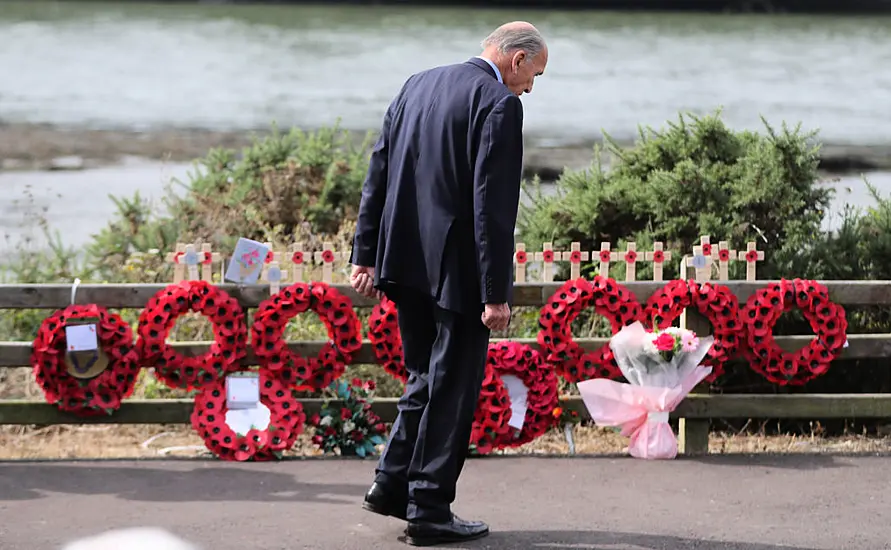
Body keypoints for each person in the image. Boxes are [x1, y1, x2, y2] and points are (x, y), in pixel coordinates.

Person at [348, 21, 548, 547]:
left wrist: (364, 252)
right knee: (452, 388)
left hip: (403, 258)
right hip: (457, 271)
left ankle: (391, 484)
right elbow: (493, 207)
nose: (531, 88)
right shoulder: (500, 104)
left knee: (422, 376)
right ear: (517, 59)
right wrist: (496, 292)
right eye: (535, 76)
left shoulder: (418, 82)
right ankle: (430, 508)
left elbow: (380, 170)